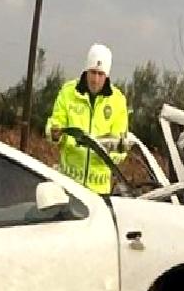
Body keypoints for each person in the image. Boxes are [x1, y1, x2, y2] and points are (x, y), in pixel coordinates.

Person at [46, 44, 130, 195]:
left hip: (99, 191)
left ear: (107, 75)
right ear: (86, 70)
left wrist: (109, 152)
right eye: (93, 72)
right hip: (68, 185)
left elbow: (121, 146)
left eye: (100, 74)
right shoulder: (68, 92)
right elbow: (54, 125)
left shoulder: (118, 101)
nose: (95, 79)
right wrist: (54, 134)